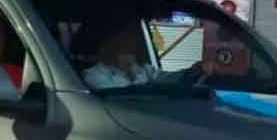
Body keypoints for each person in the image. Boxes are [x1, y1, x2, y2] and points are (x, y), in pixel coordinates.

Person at [81, 18, 215, 90]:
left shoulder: (143, 69)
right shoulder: (94, 75)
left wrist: (195, 70)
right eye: (125, 38)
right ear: (110, 43)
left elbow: (168, 79)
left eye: (134, 38)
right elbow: (117, 101)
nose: (133, 44)